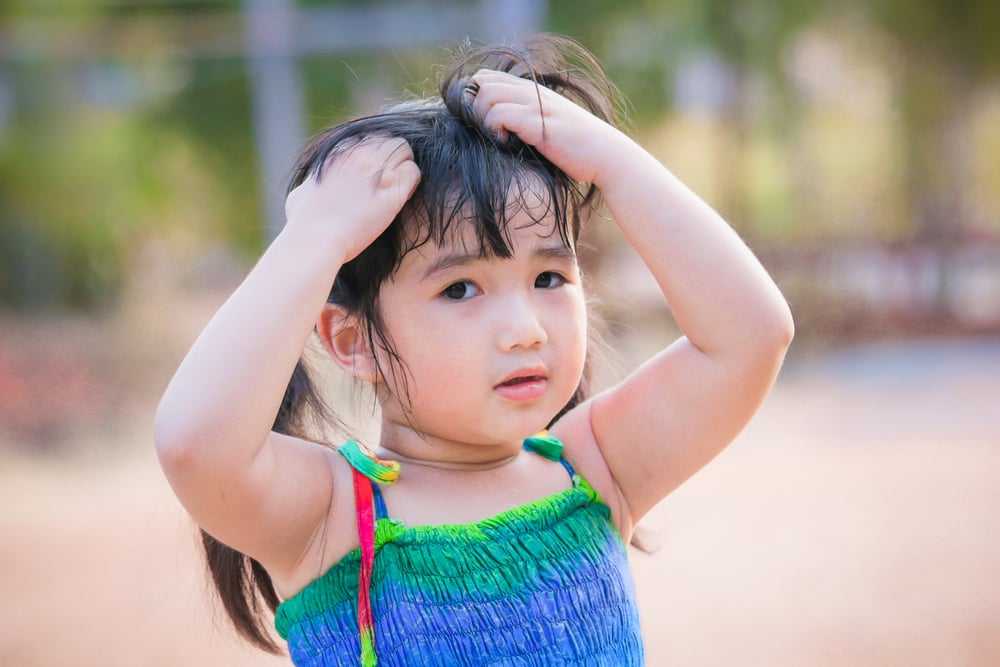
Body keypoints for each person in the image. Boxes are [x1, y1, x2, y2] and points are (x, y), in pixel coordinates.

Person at [154, 33, 793, 666]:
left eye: (549, 279)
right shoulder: (329, 519)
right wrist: (314, 237)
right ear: (353, 341)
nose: (525, 329)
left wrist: (613, 161)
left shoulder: (595, 470)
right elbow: (195, 445)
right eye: (461, 289)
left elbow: (752, 335)